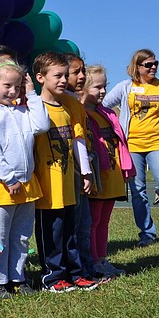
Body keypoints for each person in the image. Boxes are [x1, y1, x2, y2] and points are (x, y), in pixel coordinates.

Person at [0, 58, 49, 298]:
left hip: (27, 184)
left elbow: (42, 125)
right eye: (7, 85)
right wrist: (8, 178)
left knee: (22, 236)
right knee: (0, 236)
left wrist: (32, 94)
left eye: (17, 86)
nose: (12, 91)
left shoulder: (21, 111)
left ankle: (17, 278)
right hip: (2, 185)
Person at [103, 48, 159, 246]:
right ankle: (147, 234)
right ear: (137, 66)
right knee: (138, 191)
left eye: (155, 63)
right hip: (132, 145)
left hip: (158, 143)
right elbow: (103, 104)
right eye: (148, 64)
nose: (153, 67)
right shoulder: (126, 87)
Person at [32, 51, 99, 293]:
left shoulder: (69, 106)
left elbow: (78, 140)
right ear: (40, 77)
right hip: (47, 185)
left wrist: (86, 172)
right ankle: (53, 277)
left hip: (68, 180)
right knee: (52, 233)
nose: (63, 80)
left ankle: (75, 273)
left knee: (70, 231)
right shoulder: (34, 108)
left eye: (65, 75)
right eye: (57, 76)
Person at [82, 65, 131, 278]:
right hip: (96, 177)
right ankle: (93, 261)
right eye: (97, 87)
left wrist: (126, 168)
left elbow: (120, 142)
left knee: (104, 221)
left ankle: (102, 259)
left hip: (112, 175)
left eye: (105, 86)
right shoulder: (82, 114)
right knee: (93, 222)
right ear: (84, 87)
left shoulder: (108, 113)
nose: (103, 91)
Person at [62, 53, 98, 281]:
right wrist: (85, 170)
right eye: (76, 72)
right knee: (74, 224)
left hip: (82, 166)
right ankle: (75, 270)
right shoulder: (65, 101)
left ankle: (86, 266)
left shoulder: (75, 101)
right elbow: (77, 138)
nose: (82, 76)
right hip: (72, 169)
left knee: (85, 222)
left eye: (83, 71)